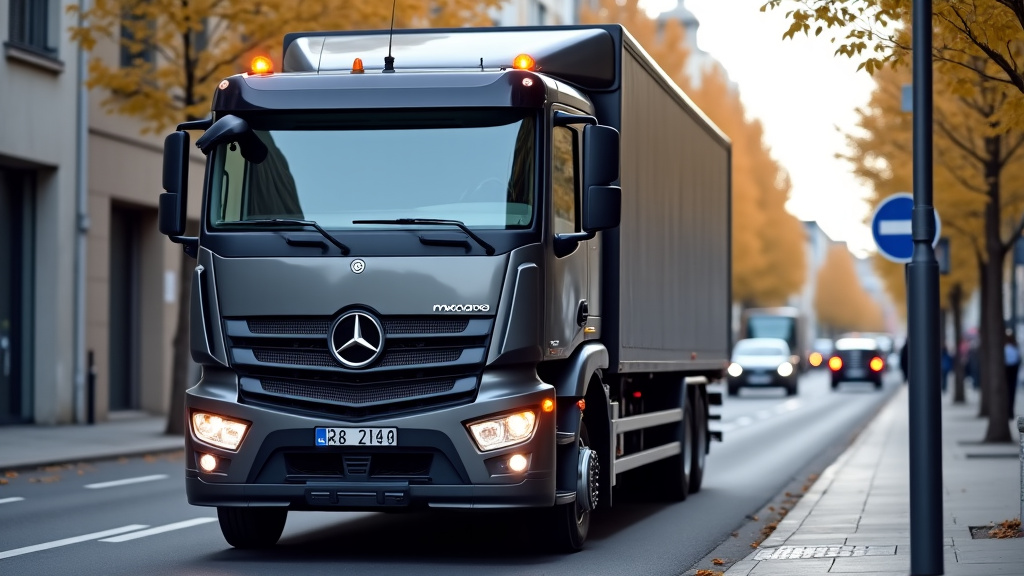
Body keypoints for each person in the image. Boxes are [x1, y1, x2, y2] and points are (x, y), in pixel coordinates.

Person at [1005, 331, 1021, 420]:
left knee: (1008, 393)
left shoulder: (1005, 349)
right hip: (1013, 372)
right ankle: (1010, 411)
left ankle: (1008, 411)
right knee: (1012, 393)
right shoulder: (1015, 349)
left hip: (1008, 372)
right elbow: (1018, 361)